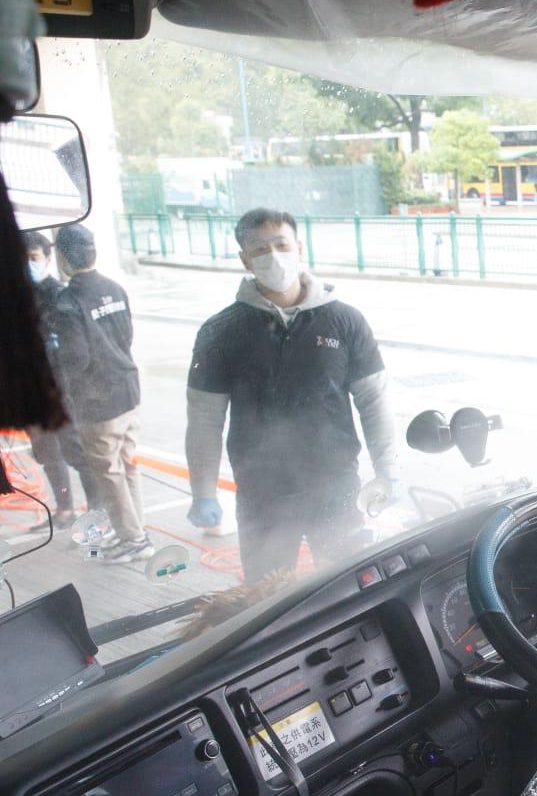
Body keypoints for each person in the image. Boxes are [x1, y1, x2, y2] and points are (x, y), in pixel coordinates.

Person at [185, 207, 400, 582]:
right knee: (268, 597)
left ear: (299, 247)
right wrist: (203, 490)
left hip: (335, 487)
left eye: (281, 244)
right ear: (245, 259)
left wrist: (388, 471)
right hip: (262, 494)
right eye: (260, 249)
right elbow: (204, 419)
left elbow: (374, 403)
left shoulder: (345, 321)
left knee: (347, 589)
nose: (273, 256)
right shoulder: (220, 331)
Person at [48, 224, 150, 563]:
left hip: (97, 400)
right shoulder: (114, 288)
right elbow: (127, 336)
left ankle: (133, 540)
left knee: (108, 472)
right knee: (127, 465)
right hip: (128, 390)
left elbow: (75, 358)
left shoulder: (67, 301)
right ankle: (136, 532)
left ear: (62, 257)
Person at [22, 230, 99, 530]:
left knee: (75, 450)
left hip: (62, 389)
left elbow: (74, 349)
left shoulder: (59, 295)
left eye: (33, 257)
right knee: (47, 453)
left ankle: (96, 511)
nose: (26, 264)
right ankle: (64, 510)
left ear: (47, 258)